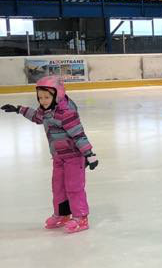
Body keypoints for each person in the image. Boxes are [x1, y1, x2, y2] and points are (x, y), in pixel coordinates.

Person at [2, 75, 99, 233]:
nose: (43, 101)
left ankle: (81, 217)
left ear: (58, 94)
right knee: (58, 187)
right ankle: (63, 214)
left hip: (73, 157)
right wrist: (19, 109)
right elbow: (36, 116)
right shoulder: (46, 110)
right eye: (40, 97)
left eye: (46, 97)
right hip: (58, 157)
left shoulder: (66, 113)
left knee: (74, 187)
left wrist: (89, 154)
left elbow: (78, 135)